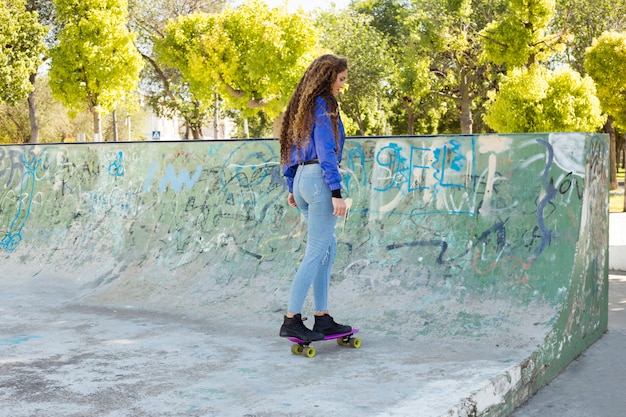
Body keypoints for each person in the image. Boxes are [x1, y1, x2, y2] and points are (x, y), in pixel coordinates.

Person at [278, 54, 352, 342]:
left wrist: (291, 185)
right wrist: (336, 191)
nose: (342, 86)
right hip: (319, 181)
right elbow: (326, 149)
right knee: (316, 252)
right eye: (341, 79)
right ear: (328, 78)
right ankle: (291, 319)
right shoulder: (324, 105)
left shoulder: (302, 108)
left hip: (301, 181)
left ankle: (322, 318)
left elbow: (288, 150)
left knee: (326, 250)